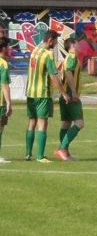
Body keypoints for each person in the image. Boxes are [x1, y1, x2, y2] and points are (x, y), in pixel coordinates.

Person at [25, 30, 70, 163]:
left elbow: (30, 71)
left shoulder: (34, 51)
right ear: (50, 40)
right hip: (42, 94)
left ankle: (28, 154)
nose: (56, 44)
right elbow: (53, 76)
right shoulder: (47, 55)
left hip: (31, 93)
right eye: (56, 41)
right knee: (42, 123)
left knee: (31, 123)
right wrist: (63, 93)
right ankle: (40, 156)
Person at [55, 37, 84, 161]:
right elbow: (68, 74)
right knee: (80, 123)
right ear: (72, 45)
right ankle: (62, 149)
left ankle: (64, 153)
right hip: (70, 93)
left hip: (64, 94)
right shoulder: (72, 58)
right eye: (77, 43)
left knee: (66, 124)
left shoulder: (67, 59)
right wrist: (73, 91)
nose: (79, 45)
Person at [0, 37, 12, 163]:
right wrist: (8, 102)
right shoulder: (3, 64)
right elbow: (5, 85)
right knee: (0, 128)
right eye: (8, 47)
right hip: (0, 101)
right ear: (4, 48)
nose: (9, 49)